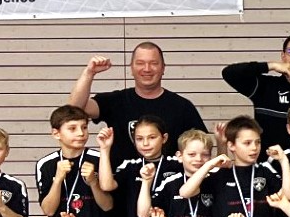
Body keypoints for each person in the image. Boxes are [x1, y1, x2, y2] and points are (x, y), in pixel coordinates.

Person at [65, 46, 208, 164]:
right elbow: (72, 110)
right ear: (132, 68)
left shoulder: (182, 106)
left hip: (169, 185)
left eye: (153, 63)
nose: (147, 69)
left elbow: (203, 146)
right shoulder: (115, 101)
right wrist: (89, 73)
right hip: (120, 185)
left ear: (163, 68)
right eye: (140, 63)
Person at [36, 106, 113, 217]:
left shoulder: (99, 158)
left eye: (84, 127)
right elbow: (48, 209)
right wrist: (57, 179)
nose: (81, 133)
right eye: (72, 128)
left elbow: (107, 206)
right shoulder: (46, 164)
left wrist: (93, 182)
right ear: (56, 134)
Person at [222, 33, 290, 148]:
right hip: (266, 159)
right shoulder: (265, 86)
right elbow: (229, 73)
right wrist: (271, 66)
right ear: (283, 56)